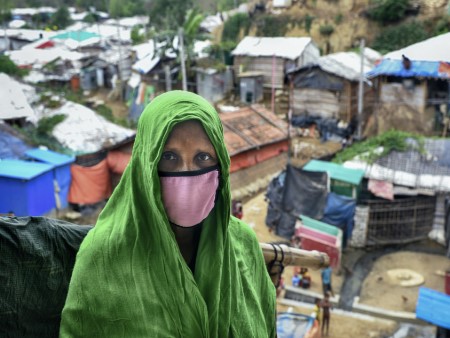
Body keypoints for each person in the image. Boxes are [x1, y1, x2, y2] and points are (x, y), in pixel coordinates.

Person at [59, 91, 277, 337]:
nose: (187, 174)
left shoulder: (243, 244)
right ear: (145, 164)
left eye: (203, 157)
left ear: (221, 166)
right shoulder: (103, 255)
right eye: (169, 157)